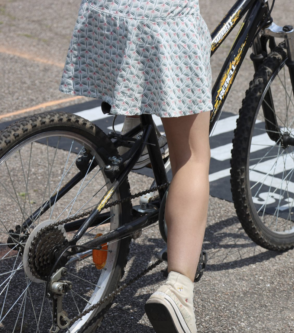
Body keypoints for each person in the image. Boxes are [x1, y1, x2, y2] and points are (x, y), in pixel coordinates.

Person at [59, 1, 213, 332]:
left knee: (139, 33)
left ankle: (135, 127)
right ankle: (179, 289)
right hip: (163, 22)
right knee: (191, 156)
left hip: (106, 14)